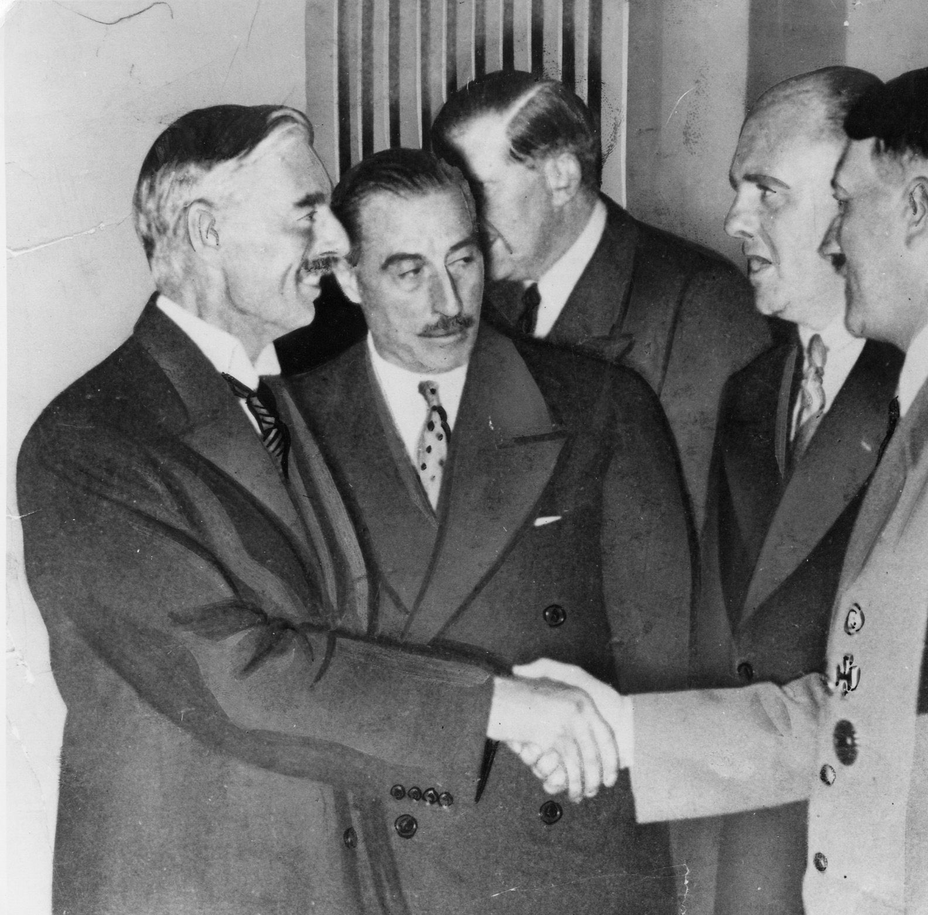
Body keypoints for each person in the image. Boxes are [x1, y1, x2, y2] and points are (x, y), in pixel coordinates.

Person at [518, 63, 928, 915]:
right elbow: (865, 712)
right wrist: (619, 725)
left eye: (848, 202)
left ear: (917, 209)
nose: (837, 239)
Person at [18, 106, 628, 915]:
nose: (336, 242)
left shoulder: (275, 399)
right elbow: (234, 676)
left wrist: (518, 708)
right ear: (205, 231)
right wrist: (498, 707)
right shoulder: (93, 437)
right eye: (307, 213)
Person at [288, 148, 693, 915]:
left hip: (558, 862)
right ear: (349, 276)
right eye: (409, 272)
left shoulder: (601, 404)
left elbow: (665, 666)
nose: (448, 301)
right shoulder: (291, 424)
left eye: (463, 260)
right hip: (375, 865)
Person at [693, 66, 902, 915]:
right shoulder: (753, 390)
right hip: (756, 854)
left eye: (766, 192)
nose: (735, 220)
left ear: (851, 202)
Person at [429, 70, 772, 526]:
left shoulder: (700, 304)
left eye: (477, 190)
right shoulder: (479, 294)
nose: (462, 220)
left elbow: (695, 529)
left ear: (561, 177)